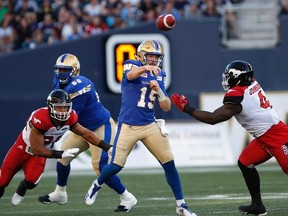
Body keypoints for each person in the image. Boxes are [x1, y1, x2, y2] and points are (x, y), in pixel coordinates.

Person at [84, 40, 197, 216]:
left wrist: (159, 91)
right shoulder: (132, 64)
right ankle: (97, 184)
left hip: (149, 125)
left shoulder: (160, 74)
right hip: (128, 125)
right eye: (150, 55)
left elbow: (166, 106)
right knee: (115, 166)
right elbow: (130, 75)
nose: (153, 60)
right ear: (141, 55)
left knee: (169, 163)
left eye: (156, 57)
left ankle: (181, 205)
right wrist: (145, 69)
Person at [171, 60, 288, 216]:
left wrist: (187, 109)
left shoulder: (237, 95)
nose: (226, 79)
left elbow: (214, 118)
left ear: (238, 77)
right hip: (264, 138)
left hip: (278, 137)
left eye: (229, 76)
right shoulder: (251, 83)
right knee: (245, 162)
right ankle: (257, 205)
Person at [38, 53, 137, 212]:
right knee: (63, 157)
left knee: (99, 167)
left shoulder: (80, 86)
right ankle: (60, 192)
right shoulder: (59, 82)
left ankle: (127, 197)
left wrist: (49, 130)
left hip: (99, 126)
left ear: (75, 70)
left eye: (65, 70)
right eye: (59, 70)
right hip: (80, 128)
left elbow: (69, 117)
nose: (61, 73)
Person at [0, 89, 112, 206]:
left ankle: (21, 189)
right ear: (50, 107)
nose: (63, 111)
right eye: (59, 107)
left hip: (43, 151)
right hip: (23, 147)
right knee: (2, 181)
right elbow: (36, 149)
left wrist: (107, 147)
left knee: (31, 182)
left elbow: (85, 133)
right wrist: (60, 154)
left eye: (65, 107)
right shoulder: (41, 118)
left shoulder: (70, 117)